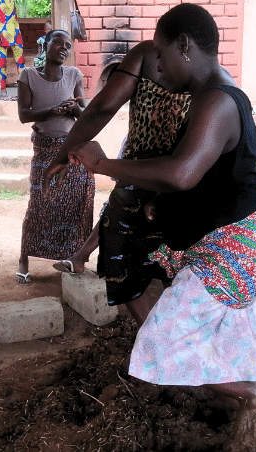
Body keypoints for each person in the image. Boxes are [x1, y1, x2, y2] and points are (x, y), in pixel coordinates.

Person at [66, 3, 256, 440]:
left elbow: (182, 172)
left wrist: (104, 164)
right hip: (230, 241)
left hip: (232, 248)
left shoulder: (219, 100)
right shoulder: (209, 96)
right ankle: (236, 406)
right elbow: (200, 175)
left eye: (161, 58)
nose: (158, 72)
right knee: (222, 336)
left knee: (160, 343)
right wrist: (160, 206)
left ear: (184, 46)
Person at [44, 39, 191, 324]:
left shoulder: (146, 54)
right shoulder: (213, 76)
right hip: (180, 180)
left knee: (119, 257)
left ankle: (158, 348)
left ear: (180, 41)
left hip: (147, 176)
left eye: (161, 48)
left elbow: (101, 109)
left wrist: (62, 156)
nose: (158, 63)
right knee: (174, 265)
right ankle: (161, 345)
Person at [16, 30, 93, 284]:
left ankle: (72, 258)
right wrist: (52, 110)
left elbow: (86, 116)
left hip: (72, 149)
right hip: (45, 149)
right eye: (58, 42)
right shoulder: (28, 75)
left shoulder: (73, 75)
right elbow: (24, 115)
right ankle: (23, 260)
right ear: (45, 45)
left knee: (75, 202)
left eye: (67, 45)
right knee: (40, 202)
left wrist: (74, 109)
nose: (63, 48)